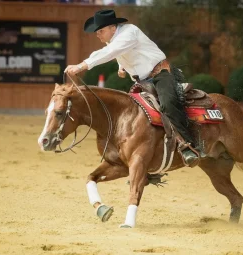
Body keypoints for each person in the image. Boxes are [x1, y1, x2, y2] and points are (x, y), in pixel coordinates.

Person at [64, 9, 198, 166]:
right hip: (142, 82)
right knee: (132, 116)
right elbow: (118, 51)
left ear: (113, 28)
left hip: (161, 75)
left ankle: (189, 145)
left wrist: (82, 65)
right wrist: (122, 66)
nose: (98, 34)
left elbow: (112, 51)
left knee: (168, 103)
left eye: (100, 30)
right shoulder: (116, 39)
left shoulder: (129, 32)